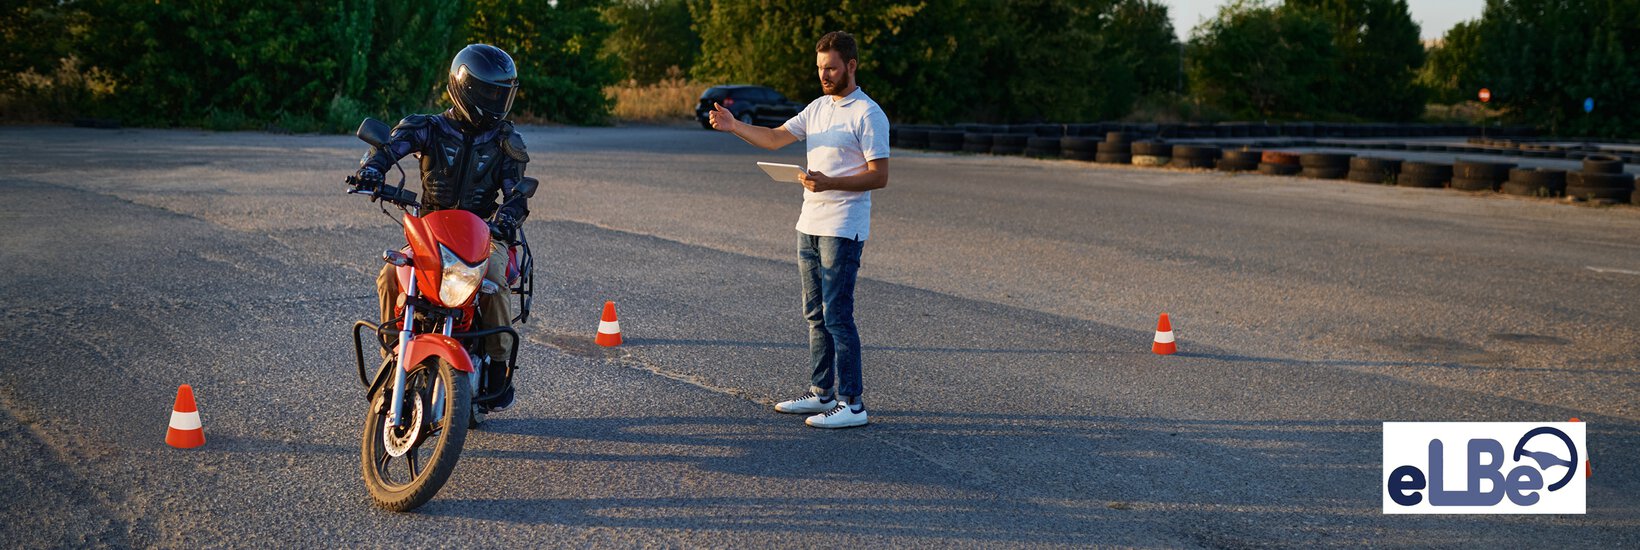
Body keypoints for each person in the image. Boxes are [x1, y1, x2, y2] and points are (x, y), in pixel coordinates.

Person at [708, 31, 889, 429]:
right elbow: (775, 139)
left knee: (838, 315)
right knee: (815, 314)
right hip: (809, 223)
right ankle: (822, 393)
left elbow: (880, 176)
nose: (825, 75)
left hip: (843, 227)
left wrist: (831, 182)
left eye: (832, 68)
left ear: (851, 66)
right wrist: (734, 125)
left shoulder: (868, 114)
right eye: (820, 68)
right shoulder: (818, 108)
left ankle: (852, 403)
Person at [351, 43, 530, 416]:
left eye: (502, 94)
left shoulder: (505, 141)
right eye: (489, 92)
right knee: (389, 275)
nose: (496, 101)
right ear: (465, 87)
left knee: (494, 282)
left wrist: (509, 216)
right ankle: (393, 347)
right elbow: (391, 147)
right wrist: (373, 168)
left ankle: (498, 370)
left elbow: (516, 193)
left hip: (483, 233)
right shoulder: (429, 127)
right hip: (431, 231)